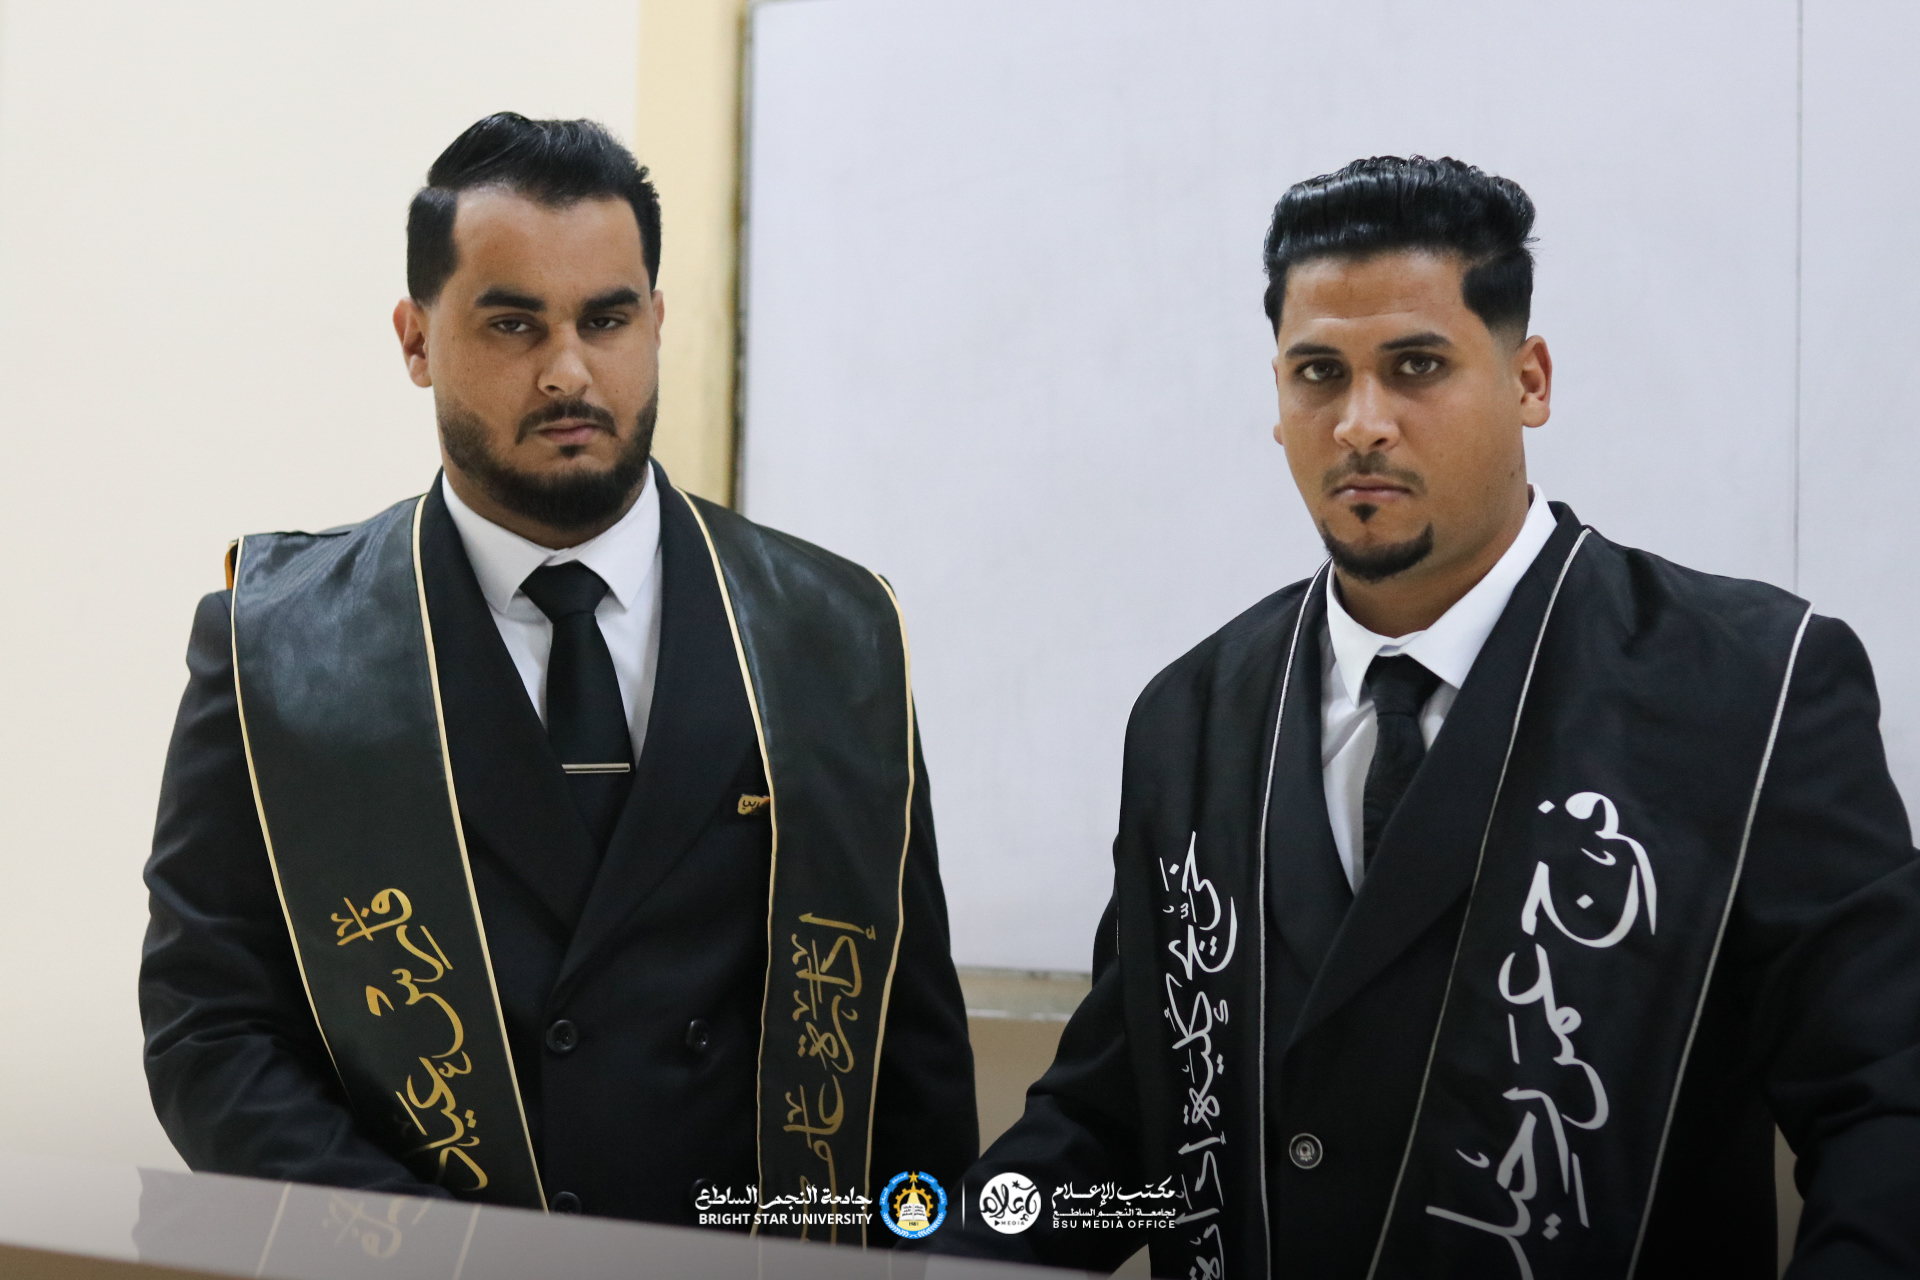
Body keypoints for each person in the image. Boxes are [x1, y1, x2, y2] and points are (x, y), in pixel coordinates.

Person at [933, 157, 1920, 1276]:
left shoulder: (1753, 687)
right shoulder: (1190, 717)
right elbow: (1110, 1119)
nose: (1362, 424)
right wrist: (945, 1260)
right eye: (1319, 373)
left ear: (1529, 380)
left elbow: (1886, 1102)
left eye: (1416, 366)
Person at [139, 112, 976, 1241]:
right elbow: (211, 1031)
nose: (569, 370)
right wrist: (443, 1258)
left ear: (657, 324)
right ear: (416, 340)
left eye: (607, 319)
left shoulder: (834, 632)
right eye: (513, 324)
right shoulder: (277, 644)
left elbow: (908, 1055)